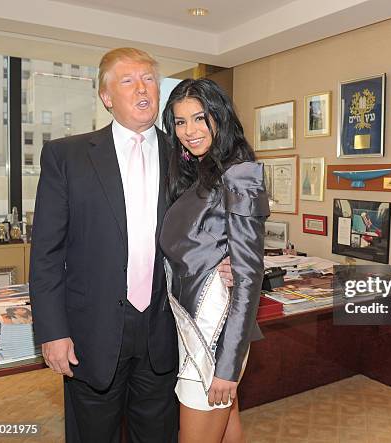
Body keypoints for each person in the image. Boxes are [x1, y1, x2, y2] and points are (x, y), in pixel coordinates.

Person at [30, 48, 233, 443]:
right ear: (106, 97)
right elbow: (46, 255)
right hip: (91, 334)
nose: (142, 88)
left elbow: (208, 223)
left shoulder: (186, 153)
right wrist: (52, 332)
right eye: (128, 81)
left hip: (164, 331)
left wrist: (225, 260)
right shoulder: (66, 156)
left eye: (149, 79)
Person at [160, 78, 269, 443]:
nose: (189, 131)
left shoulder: (239, 174)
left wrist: (227, 366)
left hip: (214, 337)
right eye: (179, 122)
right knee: (226, 429)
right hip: (194, 327)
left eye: (199, 118)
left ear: (218, 117)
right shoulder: (202, 173)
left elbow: (250, 275)